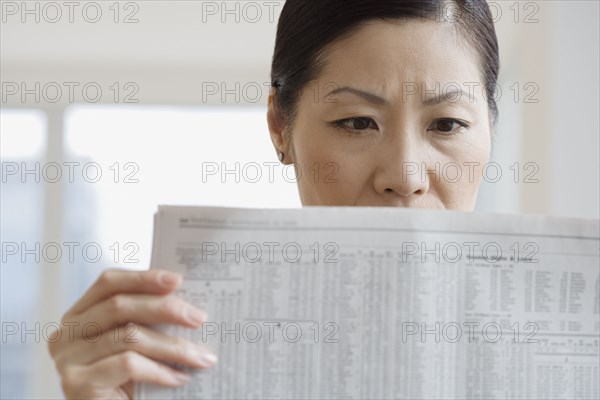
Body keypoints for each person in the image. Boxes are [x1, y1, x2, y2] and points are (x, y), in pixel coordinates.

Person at [48, 0, 500, 398]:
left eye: (447, 124)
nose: (404, 177)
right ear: (280, 128)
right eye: (358, 122)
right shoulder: (181, 356)